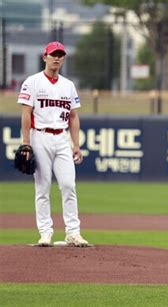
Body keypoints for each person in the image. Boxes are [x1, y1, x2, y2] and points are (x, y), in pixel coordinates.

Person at [17, 41, 88, 247]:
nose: (56, 58)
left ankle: (73, 232)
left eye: (60, 55)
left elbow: (73, 117)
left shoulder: (68, 85)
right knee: (43, 187)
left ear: (64, 58)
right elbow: (26, 113)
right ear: (44, 57)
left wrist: (76, 144)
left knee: (68, 185)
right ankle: (45, 232)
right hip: (40, 136)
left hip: (62, 137)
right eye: (53, 54)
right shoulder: (32, 82)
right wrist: (26, 143)